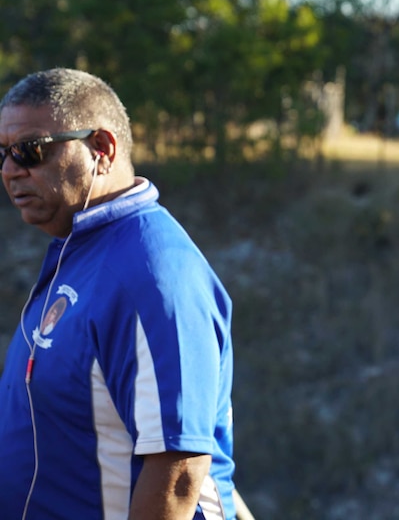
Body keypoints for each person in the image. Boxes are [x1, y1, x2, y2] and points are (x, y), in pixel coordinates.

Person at [0, 68, 236, 519]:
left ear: (101, 149)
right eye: (3, 154)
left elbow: (178, 472)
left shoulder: (154, 272)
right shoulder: (80, 244)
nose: (11, 170)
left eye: (30, 150)